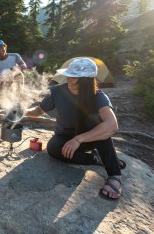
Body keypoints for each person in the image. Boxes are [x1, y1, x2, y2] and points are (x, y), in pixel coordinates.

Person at [25, 58, 125, 201]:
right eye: (69, 75)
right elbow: (38, 111)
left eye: (75, 78)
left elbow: (112, 125)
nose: (70, 80)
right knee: (53, 148)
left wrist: (79, 139)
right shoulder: (57, 91)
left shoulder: (97, 95)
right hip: (65, 137)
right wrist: (22, 111)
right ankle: (95, 158)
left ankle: (115, 174)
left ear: (88, 81)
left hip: (88, 139)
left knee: (95, 121)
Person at [0, 40, 27, 106]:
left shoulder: (14, 56)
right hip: (4, 84)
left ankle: (17, 100)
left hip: (15, 80)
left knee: (19, 74)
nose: (0, 50)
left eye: (1, 47)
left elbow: (24, 66)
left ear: (5, 47)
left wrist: (11, 70)